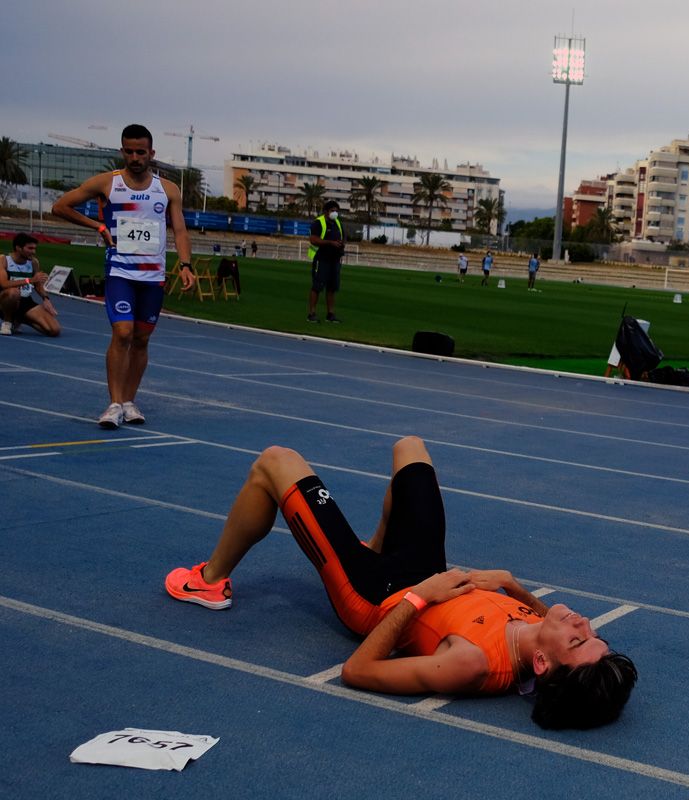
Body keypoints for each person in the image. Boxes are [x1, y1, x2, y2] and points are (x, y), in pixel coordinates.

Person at [164, 436, 638, 729]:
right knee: (410, 449)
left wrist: (419, 597)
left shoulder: (473, 665)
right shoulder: (538, 635)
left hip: (376, 593)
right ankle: (374, 542)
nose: (585, 622)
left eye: (578, 638)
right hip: (425, 568)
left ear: (540, 662)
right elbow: (544, 623)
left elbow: (359, 670)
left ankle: (209, 579)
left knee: (275, 461)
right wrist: (512, 585)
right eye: (595, 634)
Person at [52, 124, 194, 429]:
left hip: (153, 277)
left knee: (141, 340)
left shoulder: (168, 189)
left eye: (140, 152)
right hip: (120, 272)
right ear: (122, 151)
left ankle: (129, 401)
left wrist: (185, 264)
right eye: (128, 151)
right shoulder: (107, 183)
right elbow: (60, 206)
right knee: (123, 333)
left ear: (151, 153)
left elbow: (180, 229)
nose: (134, 157)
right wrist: (98, 227)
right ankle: (114, 403)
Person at [0, 233, 61, 337]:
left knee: (54, 330)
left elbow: (37, 285)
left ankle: (20, 318)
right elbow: (4, 284)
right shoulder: (4, 260)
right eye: (30, 248)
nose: (33, 252)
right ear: (18, 248)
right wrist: (30, 280)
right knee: (13, 292)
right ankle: (7, 321)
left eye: (34, 248)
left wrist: (45, 298)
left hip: (25, 301)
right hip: (4, 299)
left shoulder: (33, 262)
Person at [307, 200, 345, 323]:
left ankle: (330, 314)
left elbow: (343, 237)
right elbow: (313, 239)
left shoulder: (337, 223)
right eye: (332, 211)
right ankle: (311, 313)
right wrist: (330, 242)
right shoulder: (318, 222)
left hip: (335, 260)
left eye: (336, 211)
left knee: (332, 288)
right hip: (321, 259)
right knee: (317, 287)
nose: (335, 213)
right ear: (325, 212)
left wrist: (342, 244)